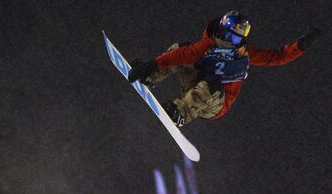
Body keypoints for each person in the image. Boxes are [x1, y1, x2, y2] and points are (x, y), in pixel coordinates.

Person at [128, 10, 322, 127]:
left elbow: (277, 57)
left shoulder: (243, 53)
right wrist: (151, 65)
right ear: (223, 30)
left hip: (214, 103)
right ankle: (150, 77)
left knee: (212, 84)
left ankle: (181, 114)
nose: (235, 42)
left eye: (240, 38)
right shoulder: (209, 44)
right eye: (233, 37)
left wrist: (302, 45)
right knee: (181, 49)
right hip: (195, 84)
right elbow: (182, 56)